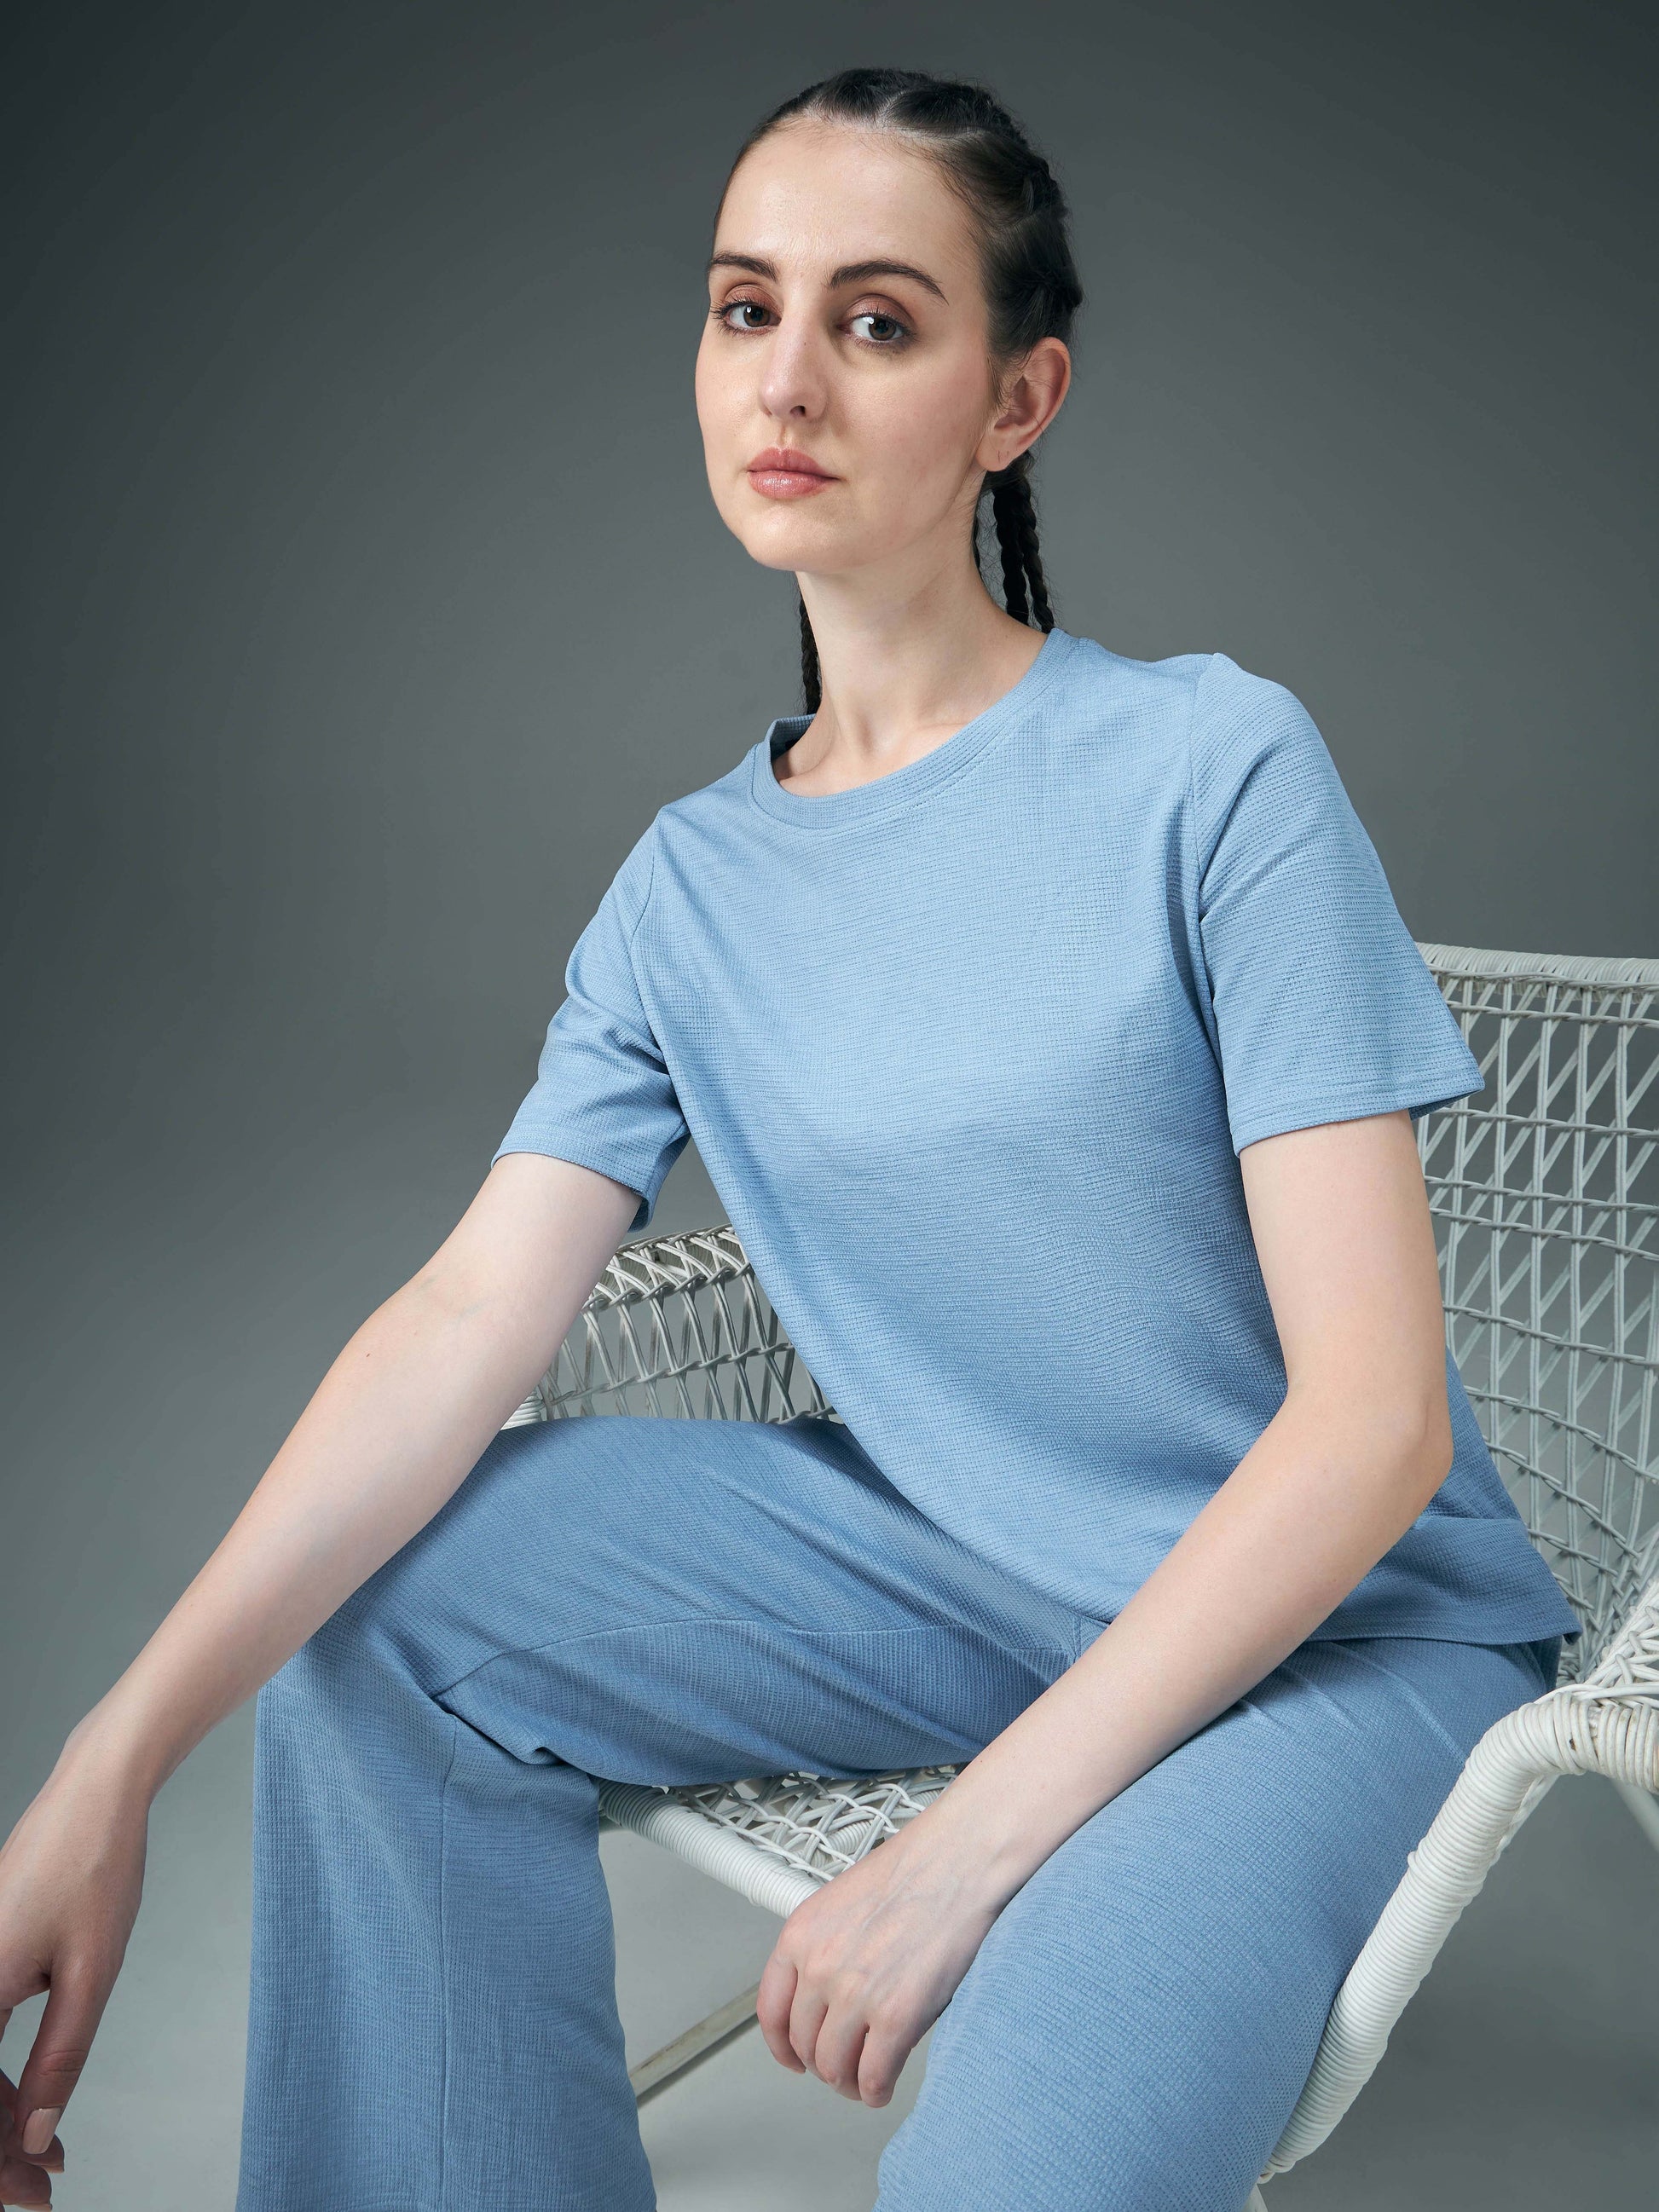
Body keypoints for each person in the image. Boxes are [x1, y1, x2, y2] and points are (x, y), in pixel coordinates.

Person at [0, 66, 1579, 2212]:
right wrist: (113, 1755)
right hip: (954, 1562)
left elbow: (1375, 1422)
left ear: (1015, 401)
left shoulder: (1213, 767)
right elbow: (464, 1317)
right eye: (748, 307)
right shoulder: (685, 889)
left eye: (878, 320)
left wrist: (965, 1848)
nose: (789, 379)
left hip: (1332, 1627)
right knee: (381, 1632)